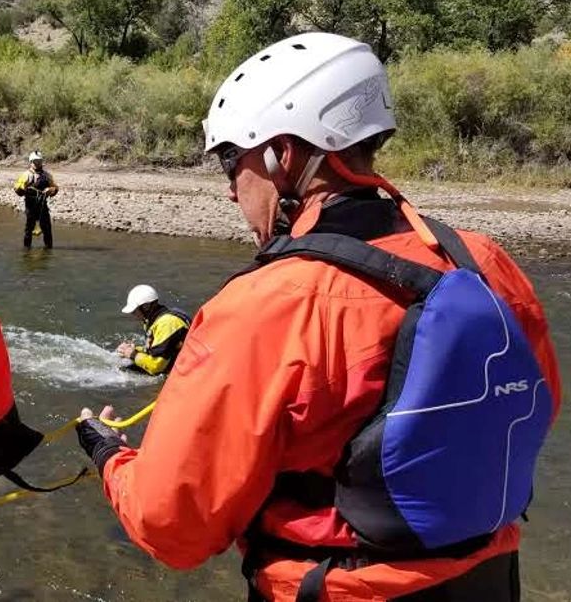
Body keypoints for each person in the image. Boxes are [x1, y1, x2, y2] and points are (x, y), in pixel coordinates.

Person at [75, 32, 560, 601]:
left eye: (232, 159)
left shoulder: (264, 307)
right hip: (490, 581)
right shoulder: (483, 260)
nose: (231, 191)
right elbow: (535, 406)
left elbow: (174, 527)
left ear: (284, 154)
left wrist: (110, 454)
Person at [114, 284, 190, 376]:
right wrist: (133, 349)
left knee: (124, 371)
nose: (134, 315)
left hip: (185, 371)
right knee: (122, 367)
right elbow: (159, 349)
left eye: (134, 311)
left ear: (146, 307)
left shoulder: (167, 323)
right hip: (175, 363)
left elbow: (156, 366)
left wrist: (133, 354)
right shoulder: (159, 319)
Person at [13, 150, 58, 248]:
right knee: (29, 229)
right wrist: (21, 189)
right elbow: (17, 190)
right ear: (31, 162)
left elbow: (55, 188)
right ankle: (26, 251)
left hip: (43, 207)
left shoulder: (47, 176)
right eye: (35, 162)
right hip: (31, 206)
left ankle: (48, 249)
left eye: (39, 161)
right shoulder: (26, 175)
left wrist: (50, 190)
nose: (38, 164)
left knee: (47, 230)